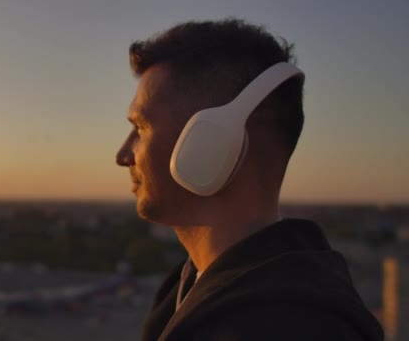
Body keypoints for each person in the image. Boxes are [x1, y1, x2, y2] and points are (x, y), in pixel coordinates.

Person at [116, 19, 383, 341]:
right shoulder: (187, 289)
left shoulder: (296, 326)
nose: (122, 155)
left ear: (211, 140)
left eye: (141, 127)